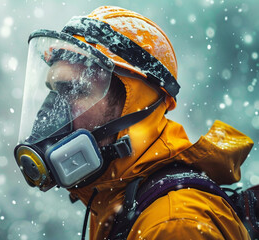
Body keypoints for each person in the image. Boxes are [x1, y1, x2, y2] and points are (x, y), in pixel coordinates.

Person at [14, 6, 254, 240]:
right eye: (55, 92)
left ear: (134, 104)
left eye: (74, 90)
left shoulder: (174, 224)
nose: (52, 112)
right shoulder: (117, 195)